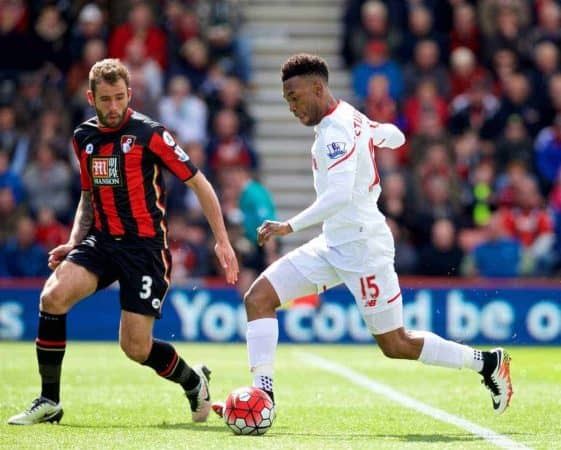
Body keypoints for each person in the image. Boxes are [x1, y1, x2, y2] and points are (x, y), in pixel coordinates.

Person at [212, 54, 512, 418]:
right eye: (286, 99)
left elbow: (337, 197)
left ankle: (488, 362)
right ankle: (264, 398)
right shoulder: (348, 117)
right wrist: (375, 130)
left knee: (395, 343)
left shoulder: (336, 131)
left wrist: (287, 226)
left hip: (364, 248)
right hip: (333, 243)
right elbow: (398, 137)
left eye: (294, 96)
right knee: (258, 298)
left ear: (318, 88)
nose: (291, 106)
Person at [8, 59, 239, 425]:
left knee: (135, 348)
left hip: (145, 249)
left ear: (129, 94)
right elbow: (88, 193)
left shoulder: (150, 134)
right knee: (52, 296)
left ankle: (193, 381)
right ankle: (49, 400)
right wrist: (73, 241)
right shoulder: (82, 137)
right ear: (91, 98)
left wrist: (222, 241)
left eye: (119, 98)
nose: (113, 107)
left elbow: (199, 182)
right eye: (106, 99)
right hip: (101, 241)